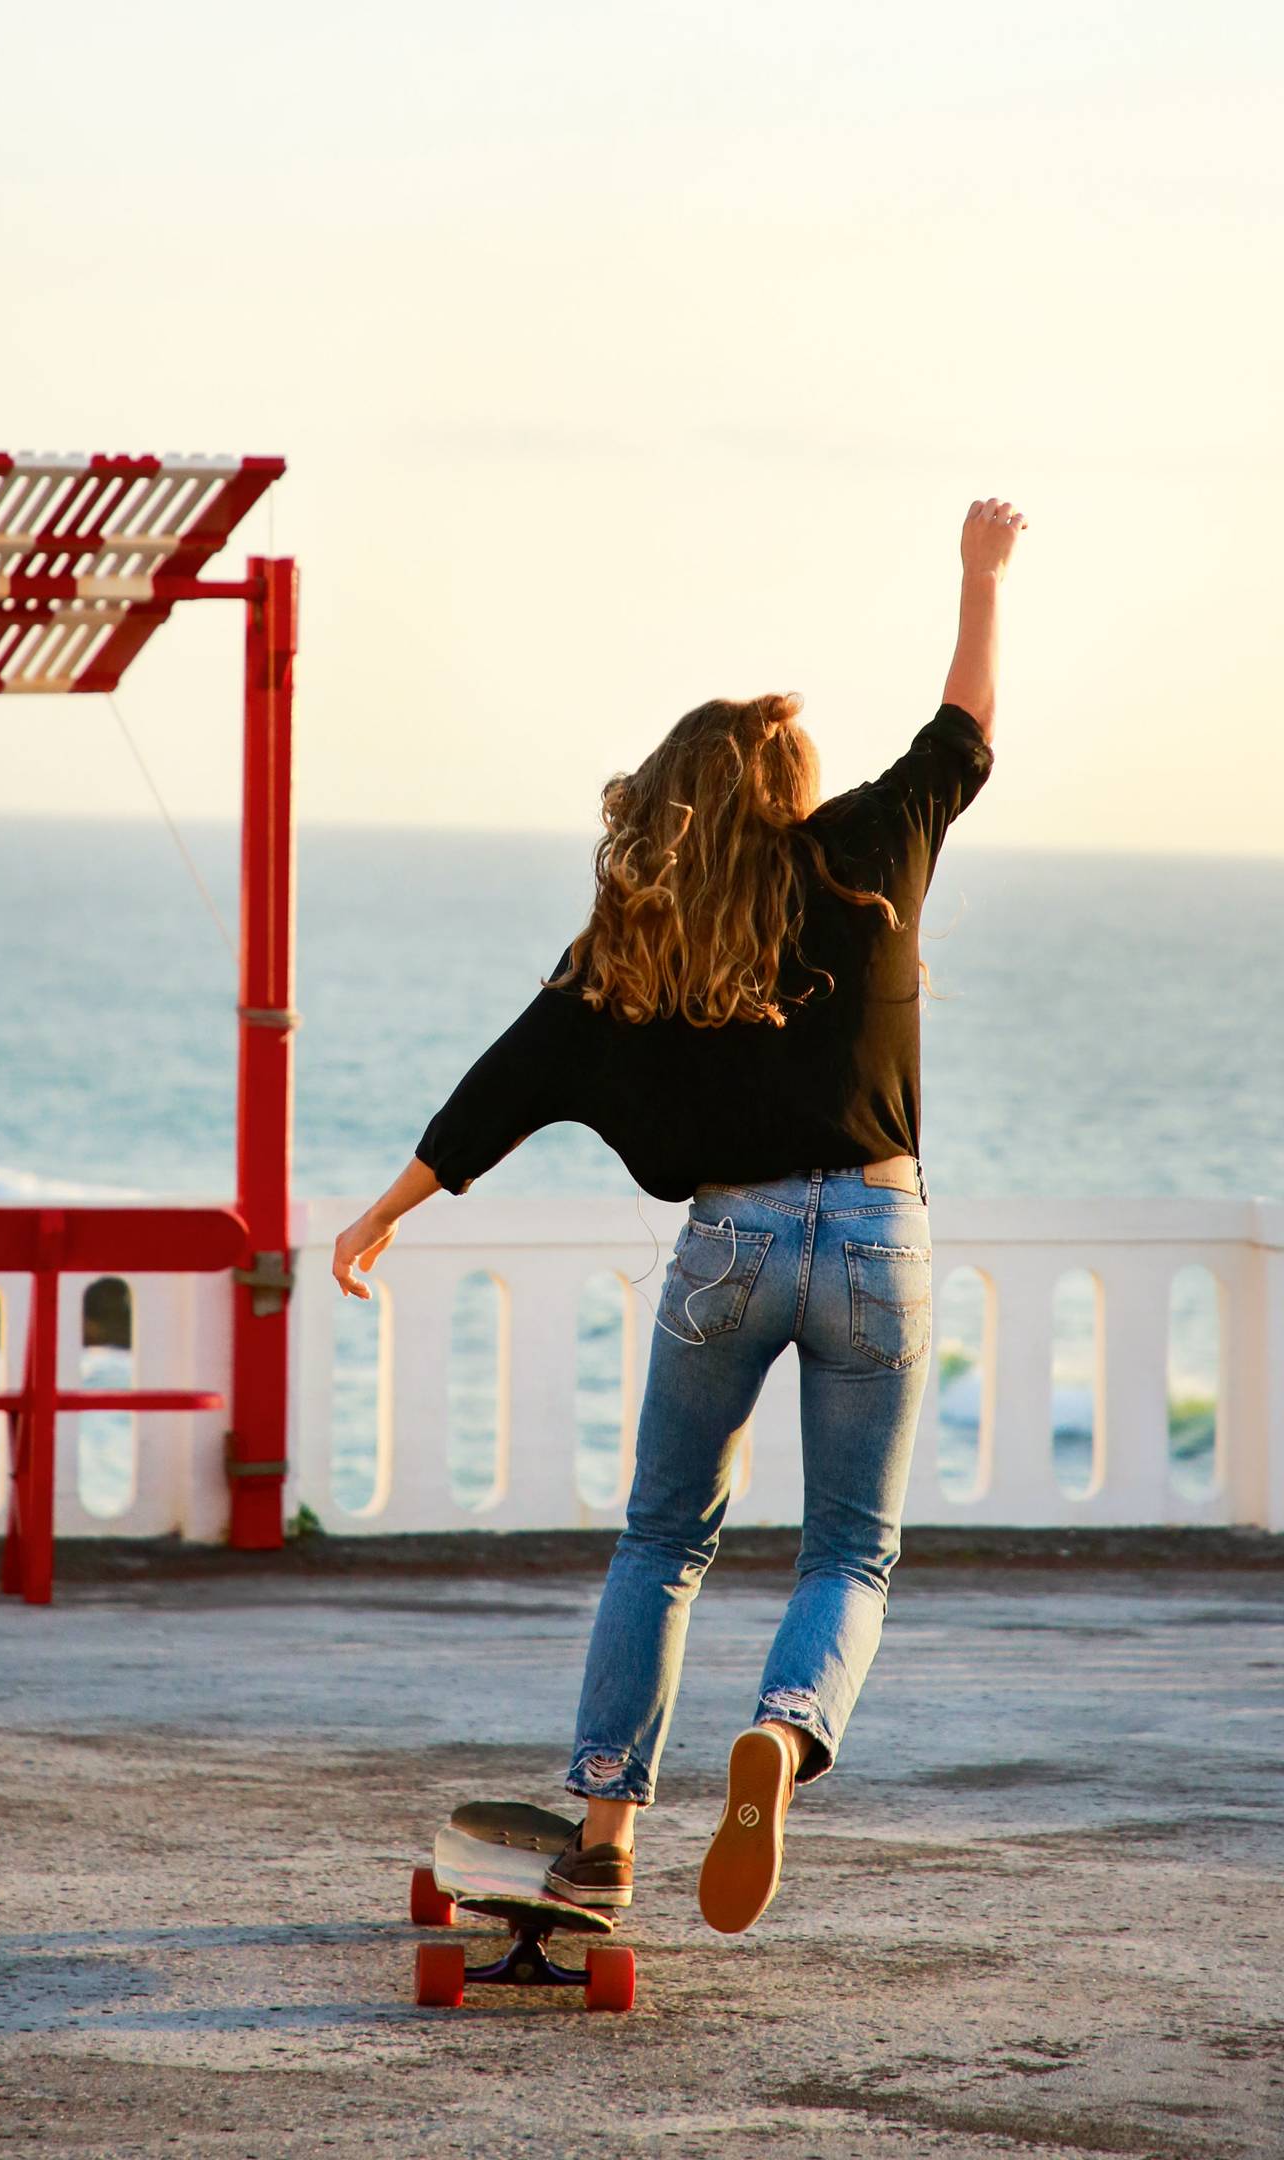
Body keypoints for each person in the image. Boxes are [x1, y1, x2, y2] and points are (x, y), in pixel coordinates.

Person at [332, 495, 1027, 1933]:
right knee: (851, 1550)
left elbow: (510, 1077)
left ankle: (603, 1834)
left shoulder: (643, 932)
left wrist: (389, 1211)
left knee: (665, 1540)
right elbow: (962, 732)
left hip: (732, 1247)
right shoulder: (870, 854)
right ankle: (785, 1727)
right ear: (792, 779)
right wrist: (978, 575)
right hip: (883, 1237)